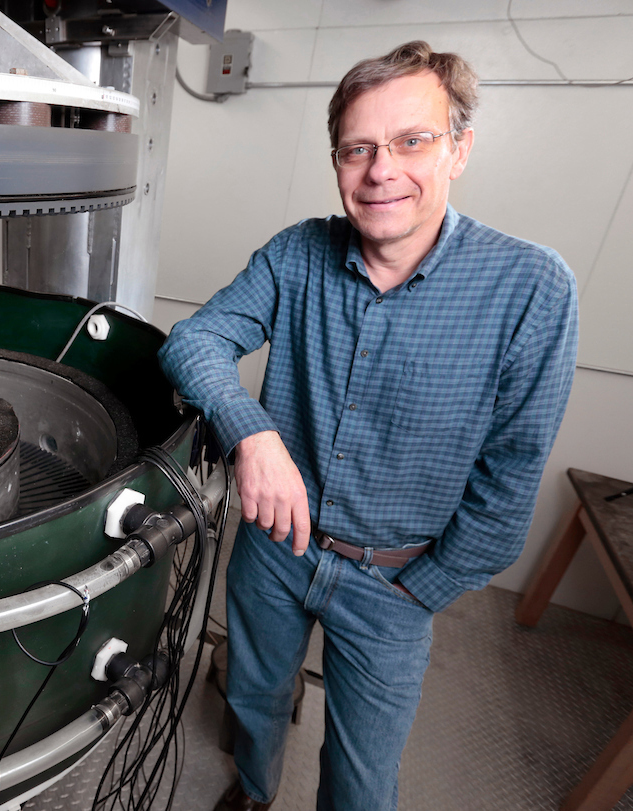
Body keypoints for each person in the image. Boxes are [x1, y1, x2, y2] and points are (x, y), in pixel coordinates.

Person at [158, 41, 578, 811]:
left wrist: (424, 589)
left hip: (396, 580)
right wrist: (252, 432)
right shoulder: (298, 254)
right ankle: (254, 790)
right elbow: (195, 340)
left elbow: (511, 472)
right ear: (338, 161)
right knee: (253, 697)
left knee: (361, 778)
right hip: (275, 551)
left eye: (412, 140)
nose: (382, 170)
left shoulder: (531, 287)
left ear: (460, 149)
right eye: (358, 148)